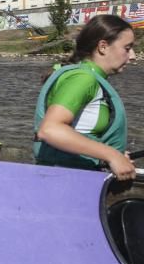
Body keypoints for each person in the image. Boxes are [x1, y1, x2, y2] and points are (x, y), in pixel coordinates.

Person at [33, 14, 136, 181]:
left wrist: (106, 153)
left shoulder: (88, 76)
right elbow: (50, 130)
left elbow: (82, 131)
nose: (133, 56)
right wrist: (111, 155)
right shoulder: (83, 79)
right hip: (64, 181)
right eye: (127, 48)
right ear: (103, 47)